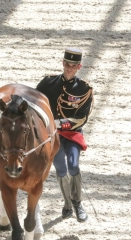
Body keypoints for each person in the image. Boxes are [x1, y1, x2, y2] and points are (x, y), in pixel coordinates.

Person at [36, 48, 94, 222]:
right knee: (61, 168)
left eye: (73, 65)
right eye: (67, 64)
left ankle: (78, 203)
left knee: (74, 165)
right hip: (52, 135)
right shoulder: (48, 83)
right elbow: (35, 100)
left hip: (72, 133)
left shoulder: (84, 88)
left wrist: (61, 123)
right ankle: (67, 204)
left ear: (79, 66)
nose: (69, 68)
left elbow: (82, 117)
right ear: (62, 64)